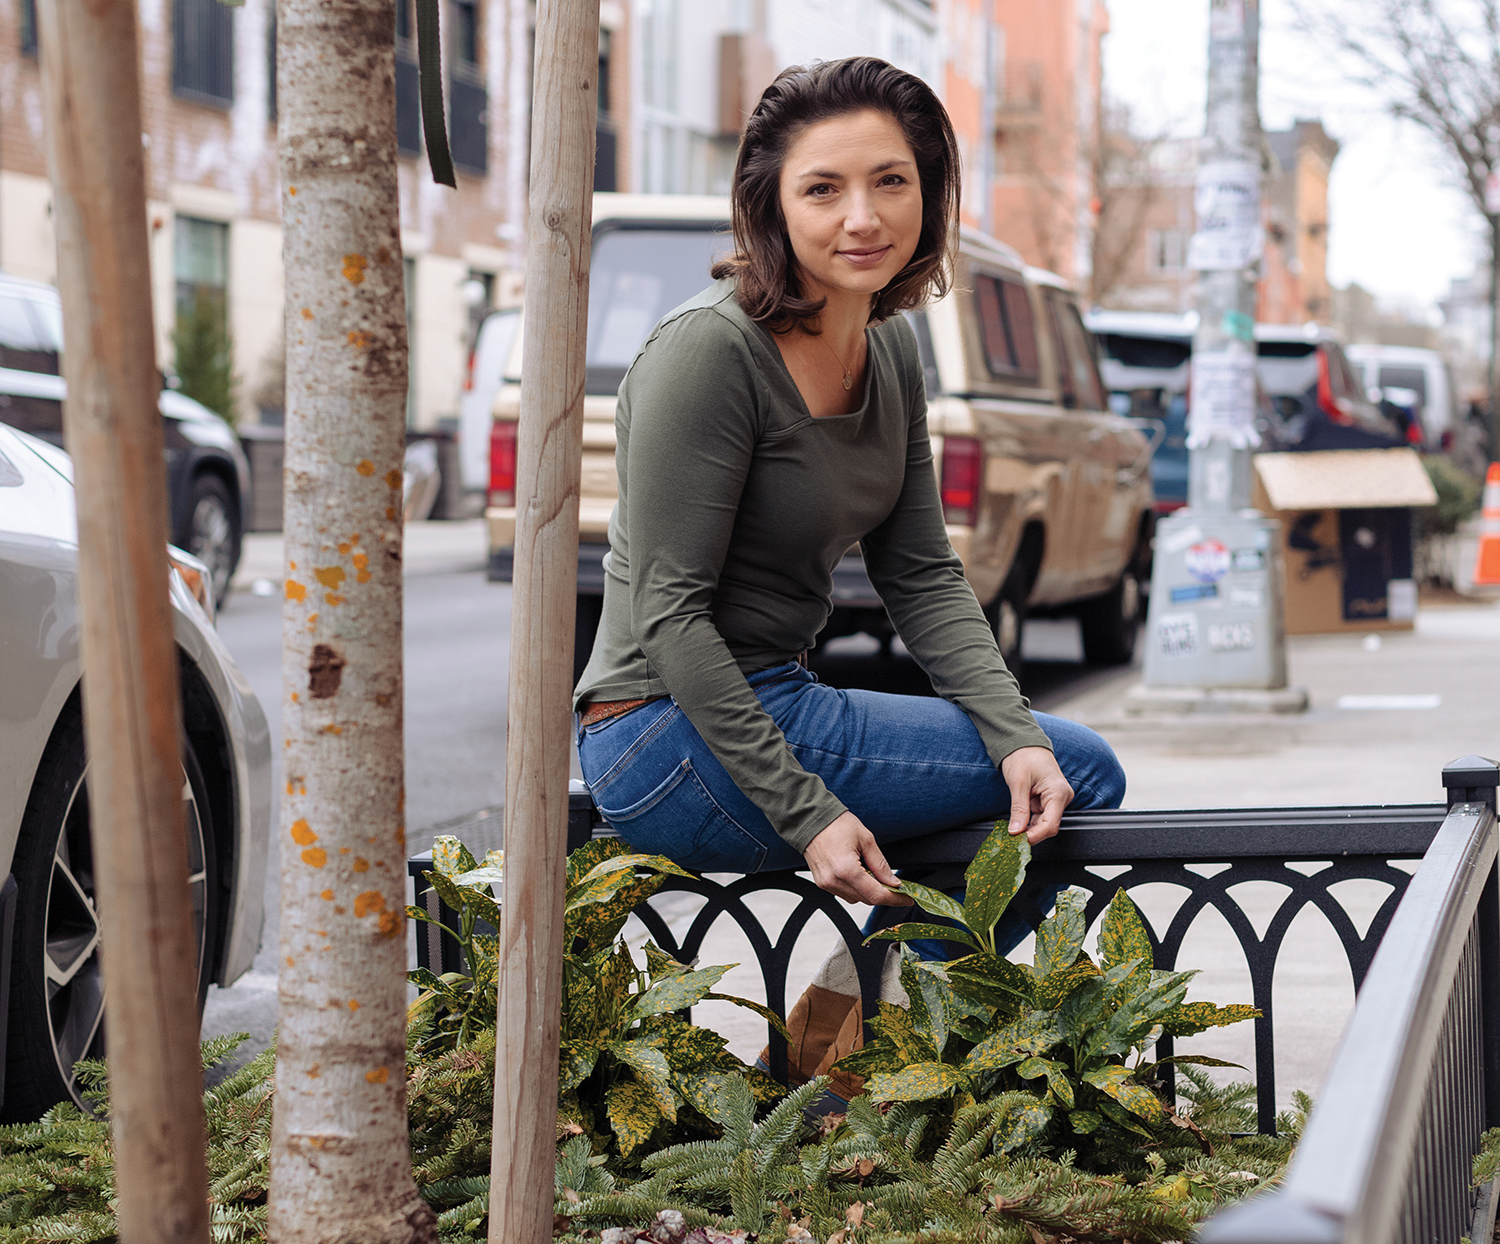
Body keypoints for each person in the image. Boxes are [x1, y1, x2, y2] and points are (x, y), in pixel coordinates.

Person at [574, 56, 1125, 929]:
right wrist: (810, 812)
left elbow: (921, 573)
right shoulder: (708, 353)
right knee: (1087, 770)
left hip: (774, 702)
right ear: (773, 206)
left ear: (928, 195)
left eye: (891, 182)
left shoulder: (891, 346)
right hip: (662, 734)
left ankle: (850, 1025)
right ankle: (877, 1041)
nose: (863, 217)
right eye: (823, 189)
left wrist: (1013, 733)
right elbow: (669, 614)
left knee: (1046, 773)